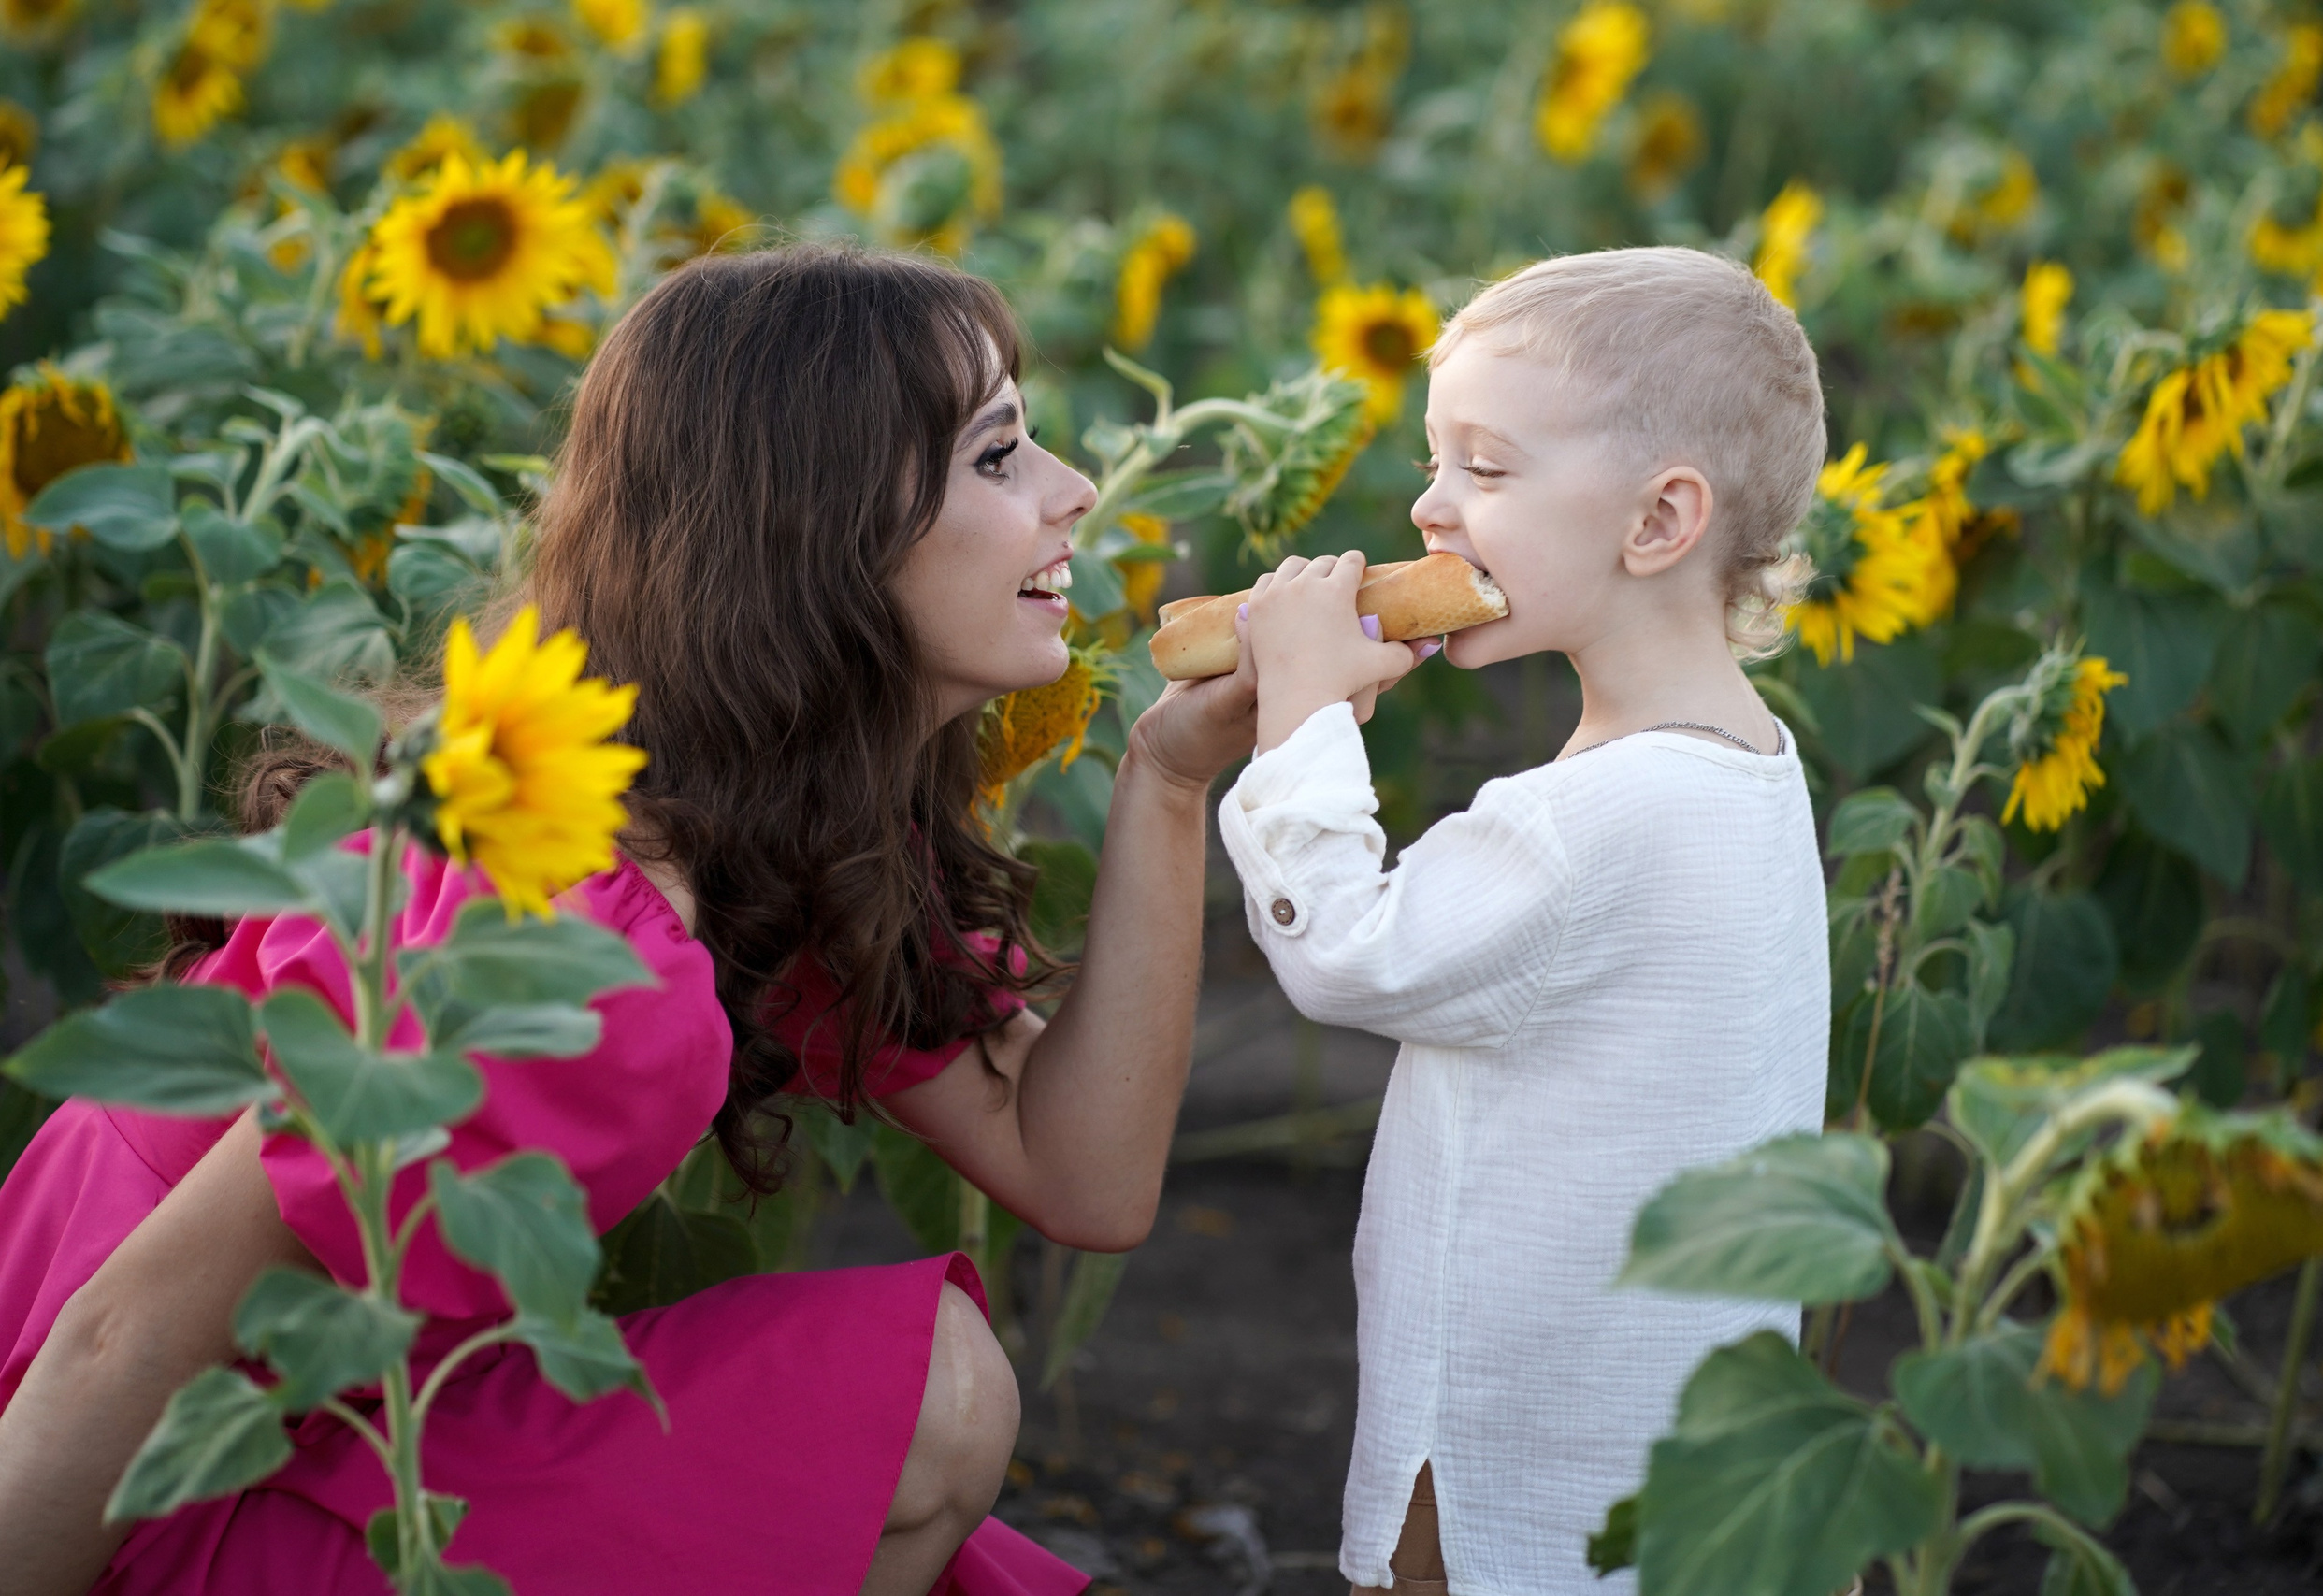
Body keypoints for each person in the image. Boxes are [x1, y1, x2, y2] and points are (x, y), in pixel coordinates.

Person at [0, 245, 1278, 1596]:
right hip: (150, 1483)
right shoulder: (574, 920)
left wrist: (1170, 776)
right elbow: (120, 1339)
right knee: (923, 1407)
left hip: (316, 1432)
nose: (1075, 493)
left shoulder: (761, 828)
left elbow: (1078, 1170)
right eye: (999, 455)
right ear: (819, 530)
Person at [1218, 247, 1833, 1595]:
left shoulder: (1586, 826)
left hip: (1527, 1442)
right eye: (1437, 463)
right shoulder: (1747, 770)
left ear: (1658, 522)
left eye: (1486, 471)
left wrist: (1304, 719)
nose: (1430, 508)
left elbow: (1340, 947)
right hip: (1696, 1438)